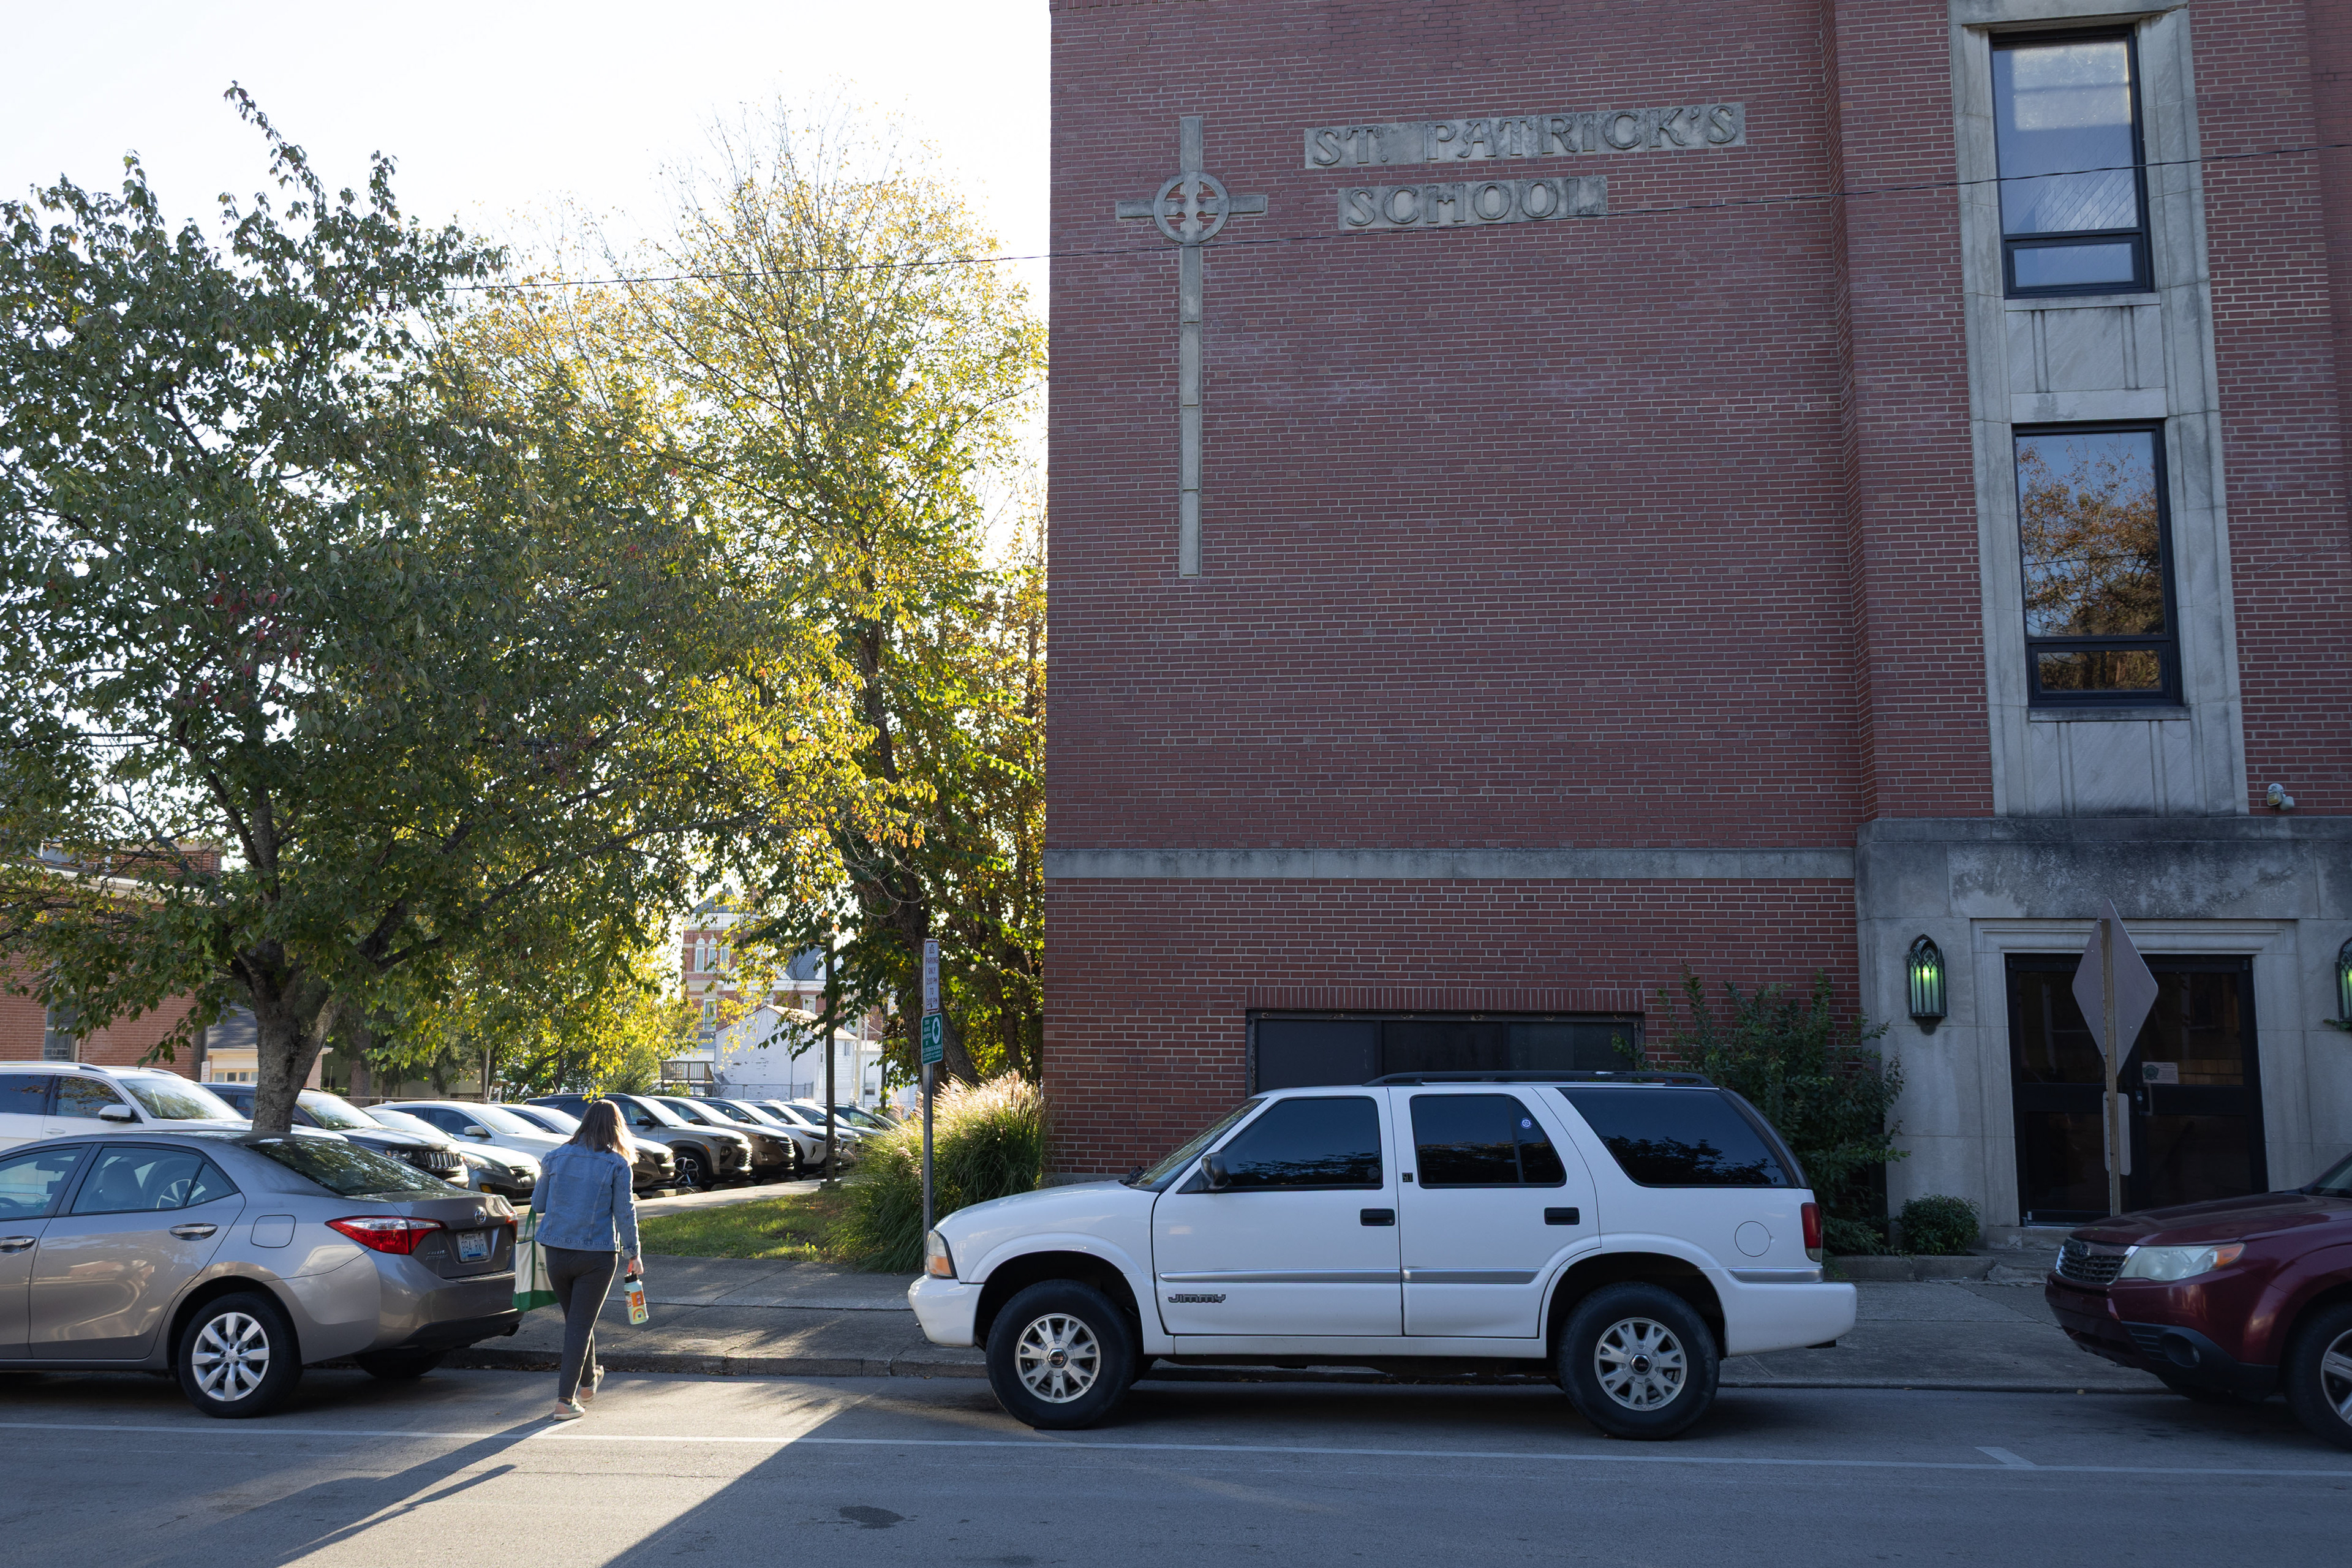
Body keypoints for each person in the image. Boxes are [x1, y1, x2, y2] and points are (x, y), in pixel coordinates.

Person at [527, 1098, 643, 1420]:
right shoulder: (617, 1164)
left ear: (585, 1122)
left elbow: (538, 1205)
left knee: (578, 1321)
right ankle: (565, 1401)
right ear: (616, 1128)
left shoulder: (554, 1157)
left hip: (556, 1253)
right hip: (597, 1256)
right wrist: (634, 1254)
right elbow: (624, 1212)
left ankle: (589, 1382)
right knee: (579, 1324)